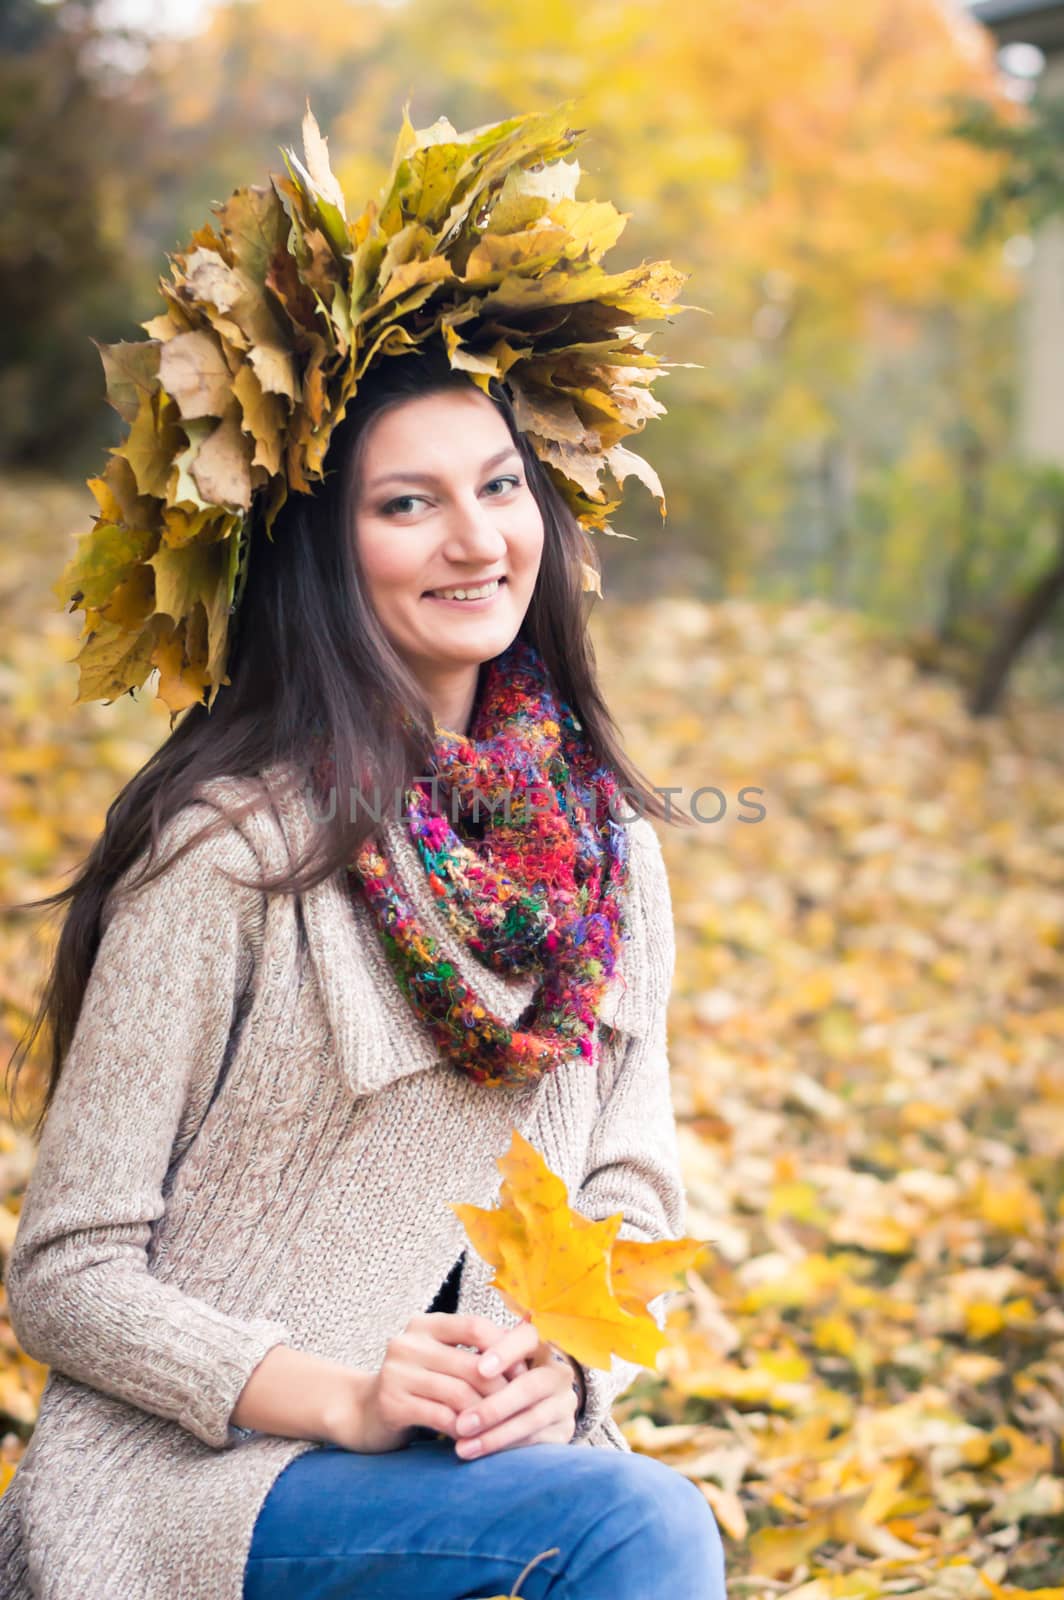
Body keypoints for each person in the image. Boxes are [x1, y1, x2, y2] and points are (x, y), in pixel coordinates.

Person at [0, 105, 726, 1598]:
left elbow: (632, 1188)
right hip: (199, 1491)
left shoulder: (605, 857)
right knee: (641, 1533)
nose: (477, 540)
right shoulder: (233, 851)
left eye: (500, 486)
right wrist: (337, 1395)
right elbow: (65, 1277)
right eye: (409, 504)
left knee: (617, 1502)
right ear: (326, 549)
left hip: (459, 1471)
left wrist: (561, 1359)